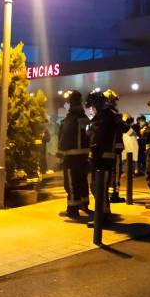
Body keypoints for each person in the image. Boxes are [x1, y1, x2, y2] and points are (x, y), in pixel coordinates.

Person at [57, 90, 91, 219]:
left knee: (71, 182)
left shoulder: (71, 118)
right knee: (82, 180)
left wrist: (60, 151)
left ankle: (72, 208)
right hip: (83, 155)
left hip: (71, 156)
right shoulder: (84, 117)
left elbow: (66, 135)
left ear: (70, 102)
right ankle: (84, 203)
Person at [85, 91, 118, 223]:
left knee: (99, 187)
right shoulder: (105, 115)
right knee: (97, 187)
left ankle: (102, 217)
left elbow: (98, 137)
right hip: (102, 155)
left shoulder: (105, 116)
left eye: (92, 105)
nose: (92, 108)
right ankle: (103, 213)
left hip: (102, 156)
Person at [103, 90, 126, 203]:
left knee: (108, 170)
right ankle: (114, 195)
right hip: (115, 147)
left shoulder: (102, 113)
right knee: (115, 171)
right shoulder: (113, 114)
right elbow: (124, 128)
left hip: (106, 148)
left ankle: (108, 193)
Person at [121, 113, 139, 177]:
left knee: (131, 159)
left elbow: (132, 133)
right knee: (124, 159)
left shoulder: (131, 128)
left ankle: (131, 172)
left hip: (131, 145)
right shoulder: (123, 127)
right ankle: (126, 172)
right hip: (125, 144)